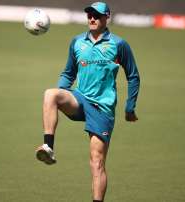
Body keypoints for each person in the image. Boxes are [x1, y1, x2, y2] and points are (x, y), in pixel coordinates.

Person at [35, 2, 140, 201]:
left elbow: (133, 76)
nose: (92, 18)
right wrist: (63, 95)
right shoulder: (77, 42)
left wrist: (130, 106)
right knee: (51, 94)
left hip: (102, 108)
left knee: (96, 162)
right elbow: (68, 73)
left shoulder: (118, 44)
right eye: (89, 15)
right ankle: (48, 147)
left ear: (106, 17)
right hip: (80, 99)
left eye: (97, 15)